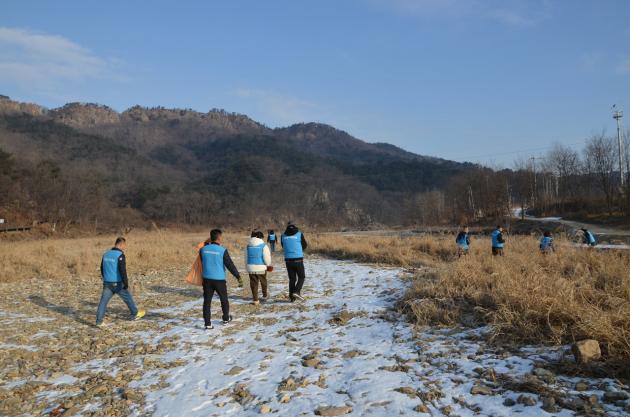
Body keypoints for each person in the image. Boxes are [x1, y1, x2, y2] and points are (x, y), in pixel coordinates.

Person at [96, 237, 145, 327]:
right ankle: (135, 314)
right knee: (128, 297)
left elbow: (101, 268)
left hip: (107, 282)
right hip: (117, 283)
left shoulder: (105, 254)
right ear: (121, 244)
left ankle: (99, 322)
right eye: (124, 245)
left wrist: (105, 278)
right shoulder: (120, 255)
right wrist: (126, 283)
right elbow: (123, 270)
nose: (125, 247)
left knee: (103, 302)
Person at [200, 229, 243, 330]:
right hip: (219, 279)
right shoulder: (222, 250)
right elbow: (230, 265)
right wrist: (238, 276)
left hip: (206, 279)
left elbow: (203, 261)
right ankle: (225, 318)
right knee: (224, 299)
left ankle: (207, 323)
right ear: (219, 238)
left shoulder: (202, 250)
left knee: (207, 301)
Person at [281, 222, 308, 302]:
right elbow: (305, 245)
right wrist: (298, 249)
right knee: (301, 277)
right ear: (295, 226)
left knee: (292, 279)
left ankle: (292, 298)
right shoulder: (299, 234)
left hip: (288, 260)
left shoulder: (283, 235)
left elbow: (283, 246)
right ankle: (296, 292)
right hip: (298, 259)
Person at [246, 230, 272, 305]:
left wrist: (247, 267)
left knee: (253, 284)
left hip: (251, 267)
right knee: (263, 282)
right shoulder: (263, 245)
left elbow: (246, 258)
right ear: (260, 237)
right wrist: (268, 264)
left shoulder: (248, 245)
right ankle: (264, 295)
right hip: (261, 267)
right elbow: (266, 257)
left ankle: (255, 300)